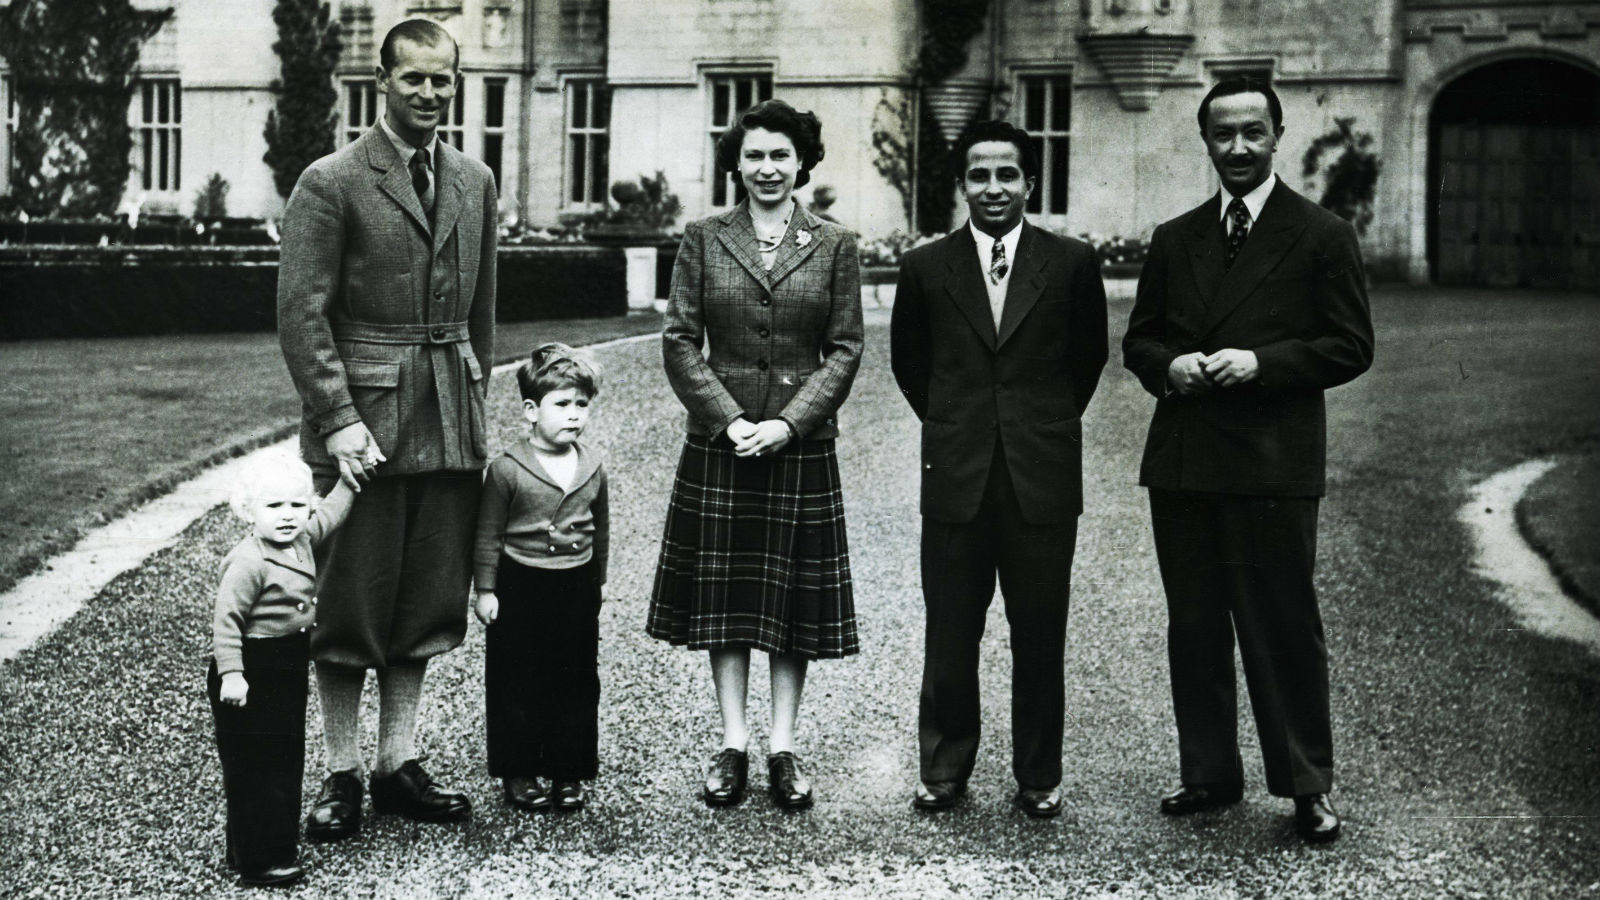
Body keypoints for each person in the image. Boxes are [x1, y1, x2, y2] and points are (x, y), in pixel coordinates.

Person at [1121, 76, 1374, 843]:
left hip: (1272, 464)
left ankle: (1306, 784)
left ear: (1276, 136)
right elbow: (1141, 340)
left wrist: (1260, 363)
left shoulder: (1321, 234)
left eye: (1251, 133)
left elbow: (1350, 346)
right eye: (1222, 134)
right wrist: (1172, 367)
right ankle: (1208, 774)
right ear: (1206, 141)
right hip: (1187, 460)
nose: (1237, 147)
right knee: (1195, 626)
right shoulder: (1177, 237)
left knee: (1283, 624)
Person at [277, 17, 498, 840]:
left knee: (425, 600)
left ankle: (396, 763)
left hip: (449, 419)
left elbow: (482, 318)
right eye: (416, 79)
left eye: (444, 80)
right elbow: (302, 316)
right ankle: (339, 773)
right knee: (348, 605)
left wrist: (475, 409)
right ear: (383, 81)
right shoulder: (331, 181)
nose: (432, 94)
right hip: (363, 429)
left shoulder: (475, 180)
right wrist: (336, 421)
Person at [647, 98, 864, 811]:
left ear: (802, 163)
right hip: (723, 447)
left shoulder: (834, 245)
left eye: (780, 156)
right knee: (728, 601)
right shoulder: (705, 238)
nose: (767, 169)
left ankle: (782, 745)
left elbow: (845, 348)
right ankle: (733, 743)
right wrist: (730, 419)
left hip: (798, 451)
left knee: (792, 604)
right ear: (735, 163)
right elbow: (680, 338)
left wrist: (791, 424)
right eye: (755, 156)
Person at [889, 119, 1108, 818]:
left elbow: (1086, 361)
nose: (993, 188)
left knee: (1040, 633)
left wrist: (1031, 428)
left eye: (1006, 174)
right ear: (962, 187)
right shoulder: (927, 267)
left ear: (1029, 183)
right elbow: (910, 363)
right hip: (956, 475)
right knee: (951, 632)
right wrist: (961, 428)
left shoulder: (1072, 263)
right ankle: (944, 769)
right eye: (979, 176)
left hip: (1040, 479)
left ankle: (1038, 775)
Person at [472, 343, 609, 814]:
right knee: (517, 677)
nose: (574, 415)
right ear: (532, 411)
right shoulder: (508, 469)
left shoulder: (591, 464)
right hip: (520, 584)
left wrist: (599, 582)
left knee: (575, 677)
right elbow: (487, 532)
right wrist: (485, 589)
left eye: (582, 405)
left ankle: (568, 771)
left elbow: (600, 525)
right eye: (562, 404)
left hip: (575, 584)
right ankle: (520, 769)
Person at [209, 453, 355, 887]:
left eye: (295, 504)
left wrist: (348, 482)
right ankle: (259, 858)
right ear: (248, 511)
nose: (287, 515)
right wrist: (232, 673)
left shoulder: (301, 541)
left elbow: (329, 516)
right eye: (273, 507)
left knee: (284, 755)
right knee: (254, 763)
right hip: (252, 668)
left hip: (287, 662)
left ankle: (262, 846)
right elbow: (227, 620)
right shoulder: (249, 561)